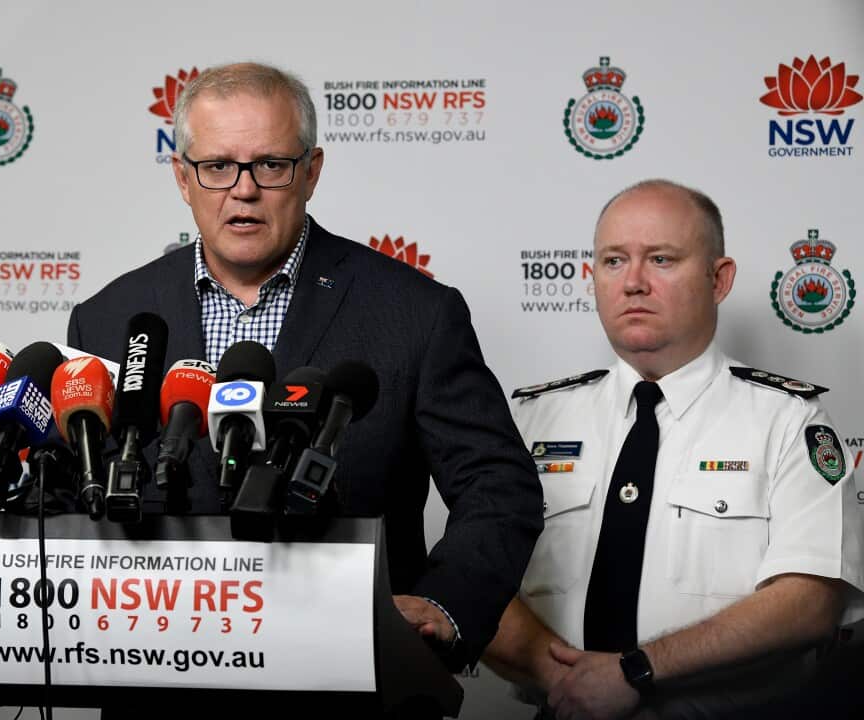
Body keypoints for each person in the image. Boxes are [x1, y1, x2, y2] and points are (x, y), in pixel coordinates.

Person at [66, 62, 542, 673]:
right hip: (158, 676)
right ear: (183, 178)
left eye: (270, 165)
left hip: (352, 676)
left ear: (311, 173)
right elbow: (80, 501)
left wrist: (446, 605)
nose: (243, 190)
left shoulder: (416, 314)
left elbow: (499, 486)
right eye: (217, 167)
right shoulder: (108, 319)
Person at [483, 179, 864, 718]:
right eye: (613, 261)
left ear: (719, 279)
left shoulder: (789, 421)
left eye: (661, 259)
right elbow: (476, 578)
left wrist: (636, 672)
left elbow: (809, 601)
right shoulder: (529, 419)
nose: (633, 282)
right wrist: (569, 683)